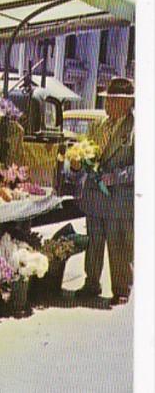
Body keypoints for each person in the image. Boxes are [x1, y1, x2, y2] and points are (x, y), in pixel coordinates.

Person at [72, 77, 134, 306]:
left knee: (119, 245)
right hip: (95, 196)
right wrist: (78, 161)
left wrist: (116, 177)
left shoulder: (137, 129)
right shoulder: (99, 125)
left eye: (113, 100)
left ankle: (121, 288)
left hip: (119, 199)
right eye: (107, 100)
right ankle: (91, 283)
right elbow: (86, 150)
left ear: (125, 103)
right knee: (94, 242)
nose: (108, 104)